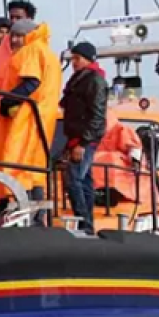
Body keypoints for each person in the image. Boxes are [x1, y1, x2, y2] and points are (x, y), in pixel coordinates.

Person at [0, 14, 62, 224]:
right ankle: (38, 219)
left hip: (29, 117)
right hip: (44, 117)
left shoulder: (32, 49)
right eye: (12, 36)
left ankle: (27, 217)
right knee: (35, 170)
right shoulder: (48, 53)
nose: (14, 41)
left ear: (29, 35)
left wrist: (6, 102)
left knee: (17, 163)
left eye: (19, 36)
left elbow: (31, 82)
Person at [60, 42, 108, 233]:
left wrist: (83, 142)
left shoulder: (94, 81)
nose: (73, 62)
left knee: (73, 179)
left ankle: (84, 222)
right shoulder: (80, 79)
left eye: (77, 58)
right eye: (72, 58)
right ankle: (87, 222)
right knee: (85, 181)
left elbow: (97, 115)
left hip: (84, 139)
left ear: (88, 59)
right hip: (76, 137)